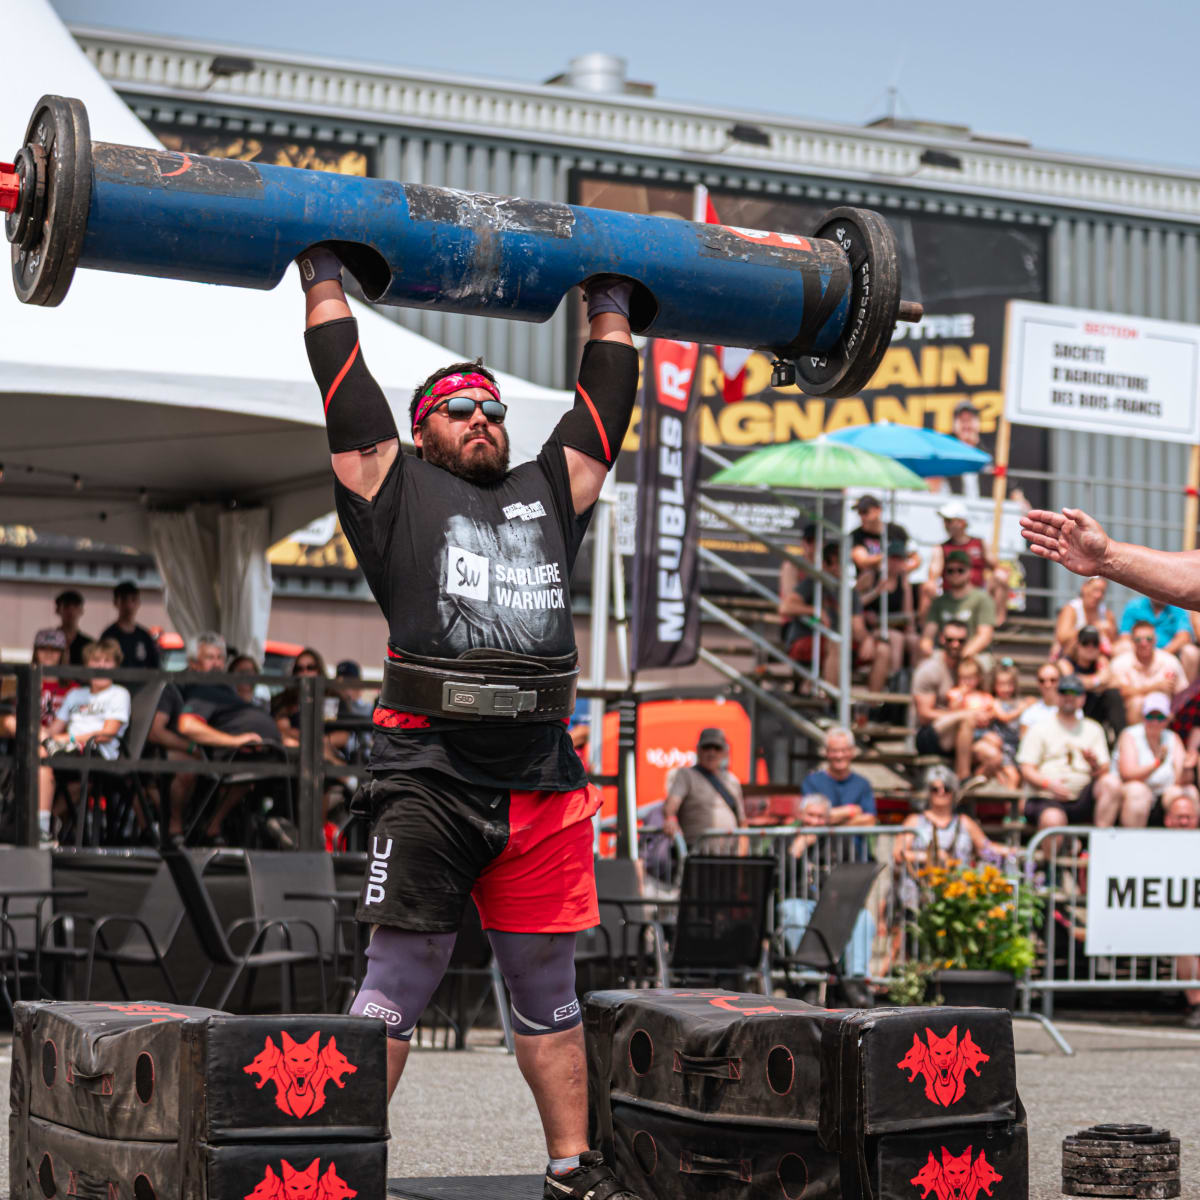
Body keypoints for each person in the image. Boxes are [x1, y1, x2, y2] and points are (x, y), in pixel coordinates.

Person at [295, 243, 642, 1200]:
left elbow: (604, 408)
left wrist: (609, 298)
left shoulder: (543, 494)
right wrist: (320, 272)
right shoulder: (389, 485)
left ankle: (573, 1169)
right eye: (460, 408)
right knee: (398, 980)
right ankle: (332, 1171)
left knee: (549, 992)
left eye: (493, 408)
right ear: (420, 429)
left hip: (542, 781)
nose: (483, 418)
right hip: (428, 779)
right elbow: (342, 376)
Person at [151, 632, 278, 842]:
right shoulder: (176, 686)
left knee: (246, 765)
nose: (217, 663)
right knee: (189, 768)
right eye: (210, 658)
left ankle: (213, 825)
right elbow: (156, 732)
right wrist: (190, 747)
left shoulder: (225, 687)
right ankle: (175, 827)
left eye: (220, 658)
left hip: (217, 749)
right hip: (180, 747)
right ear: (194, 663)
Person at [39, 639, 131, 839]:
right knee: (34, 750)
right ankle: (41, 823)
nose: (100, 666)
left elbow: (107, 733)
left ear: (116, 667)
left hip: (96, 752)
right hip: (68, 750)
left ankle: (41, 826)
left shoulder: (119, 694)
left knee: (43, 753)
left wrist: (66, 739)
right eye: (96, 661)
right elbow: (54, 730)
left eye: (107, 662)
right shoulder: (75, 694)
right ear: (87, 666)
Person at [1016, 673, 1110, 834]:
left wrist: (1094, 764)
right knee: (1053, 819)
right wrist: (1048, 784)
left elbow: (1104, 769)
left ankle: (1102, 844)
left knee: (1111, 783)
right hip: (1045, 796)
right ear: (1057, 696)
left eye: (1075, 693)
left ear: (1083, 698)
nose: (1069, 697)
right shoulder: (1039, 728)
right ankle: (1050, 858)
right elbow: (1026, 769)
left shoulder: (1094, 729)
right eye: (1064, 692)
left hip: (1082, 796)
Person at [1093, 692, 1199, 828]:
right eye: (1150, 716)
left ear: (1167, 719)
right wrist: (1156, 764)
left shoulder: (1173, 738)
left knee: (1189, 792)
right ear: (1143, 717)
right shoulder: (1130, 735)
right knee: (1138, 792)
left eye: (1160, 717)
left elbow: (1181, 780)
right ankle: (1133, 844)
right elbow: (1127, 774)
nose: (1155, 722)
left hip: (1162, 792)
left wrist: (1186, 767)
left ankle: (1186, 843)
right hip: (1132, 789)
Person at [779, 541, 875, 688]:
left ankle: (874, 706)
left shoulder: (850, 593)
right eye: (831, 562)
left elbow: (858, 627)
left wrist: (867, 639)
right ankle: (831, 702)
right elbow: (786, 607)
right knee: (836, 642)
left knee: (882, 650)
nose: (836, 568)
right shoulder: (813, 583)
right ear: (824, 564)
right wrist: (815, 611)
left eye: (841, 562)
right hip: (807, 638)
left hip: (836, 643)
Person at [894, 764, 1010, 880]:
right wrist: (931, 856)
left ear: (954, 792)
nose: (941, 792)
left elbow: (986, 848)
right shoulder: (915, 821)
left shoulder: (965, 822)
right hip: (920, 887)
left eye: (947, 788)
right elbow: (899, 854)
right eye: (935, 789)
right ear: (928, 792)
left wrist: (1010, 851)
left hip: (956, 888)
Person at [912, 620, 978, 778]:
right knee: (966, 719)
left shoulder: (969, 668)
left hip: (961, 734)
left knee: (991, 754)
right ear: (941, 639)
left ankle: (966, 792)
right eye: (950, 640)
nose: (955, 644)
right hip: (928, 734)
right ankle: (963, 777)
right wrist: (963, 714)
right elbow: (924, 715)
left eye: (961, 641)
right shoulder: (929, 669)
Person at [663, 727, 746, 848]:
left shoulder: (732, 780)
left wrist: (742, 856)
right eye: (707, 747)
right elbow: (672, 803)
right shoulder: (685, 775)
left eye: (717, 748)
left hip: (729, 855)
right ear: (698, 750)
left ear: (724, 752)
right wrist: (670, 818)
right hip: (698, 854)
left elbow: (742, 822)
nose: (711, 753)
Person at [919, 549, 996, 667]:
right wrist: (926, 649)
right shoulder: (939, 601)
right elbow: (928, 636)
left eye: (960, 570)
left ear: (970, 572)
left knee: (984, 664)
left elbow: (985, 636)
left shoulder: (982, 598)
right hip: (945, 656)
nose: (955, 574)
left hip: (974, 655)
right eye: (950, 570)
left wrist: (963, 656)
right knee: (925, 667)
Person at [1108, 619, 1185, 728]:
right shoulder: (1120, 663)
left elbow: (1182, 692)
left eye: (1149, 639)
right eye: (1138, 639)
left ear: (1155, 640)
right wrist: (1156, 687)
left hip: (1164, 714)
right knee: (1137, 703)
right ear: (1132, 641)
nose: (1144, 643)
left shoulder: (1170, 661)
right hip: (1131, 715)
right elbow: (1120, 693)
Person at [1114, 591, 1198, 680]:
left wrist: (1160, 655)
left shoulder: (1178, 608)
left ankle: (1186, 693)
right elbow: (1124, 636)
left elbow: (1184, 636)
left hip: (1169, 655)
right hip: (1139, 654)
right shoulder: (1134, 606)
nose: (1160, 593)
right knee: (1122, 647)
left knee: (1191, 652)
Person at [800, 727, 876, 823]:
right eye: (834, 751)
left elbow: (870, 820)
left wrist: (833, 825)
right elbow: (812, 818)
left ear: (852, 752)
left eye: (844, 750)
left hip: (853, 839)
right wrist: (850, 810)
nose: (839, 756)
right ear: (826, 752)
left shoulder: (862, 784)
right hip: (820, 838)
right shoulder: (812, 782)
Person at [99, 581, 160, 674]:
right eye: (124, 600)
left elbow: (155, 667)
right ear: (116, 603)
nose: (129, 605)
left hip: (142, 686)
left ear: (138, 603)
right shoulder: (109, 635)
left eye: (133, 600)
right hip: (115, 686)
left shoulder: (145, 636)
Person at [1053, 576, 1117, 659]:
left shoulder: (1107, 613)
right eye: (1095, 590)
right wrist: (1092, 626)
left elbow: (1114, 642)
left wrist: (1110, 632)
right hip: (1072, 657)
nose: (1098, 595)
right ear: (1084, 588)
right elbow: (1062, 638)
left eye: (1102, 592)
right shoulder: (1071, 609)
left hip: (1099, 659)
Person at [1020, 662, 1064, 735]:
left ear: (1061, 681)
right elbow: (1025, 743)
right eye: (1042, 681)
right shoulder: (1029, 712)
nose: (1047, 685)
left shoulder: (1072, 710)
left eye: (1053, 680)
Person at [54, 589, 93, 666]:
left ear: (81, 610)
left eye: (75, 606)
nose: (70, 610)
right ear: (58, 610)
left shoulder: (88, 644)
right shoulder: (49, 641)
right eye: (66, 606)